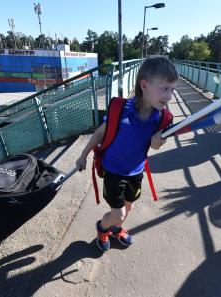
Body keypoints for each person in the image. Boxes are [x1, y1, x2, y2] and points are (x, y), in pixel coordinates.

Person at [75, 57, 179, 252]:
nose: (169, 95)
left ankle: (115, 229)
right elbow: (100, 133)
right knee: (119, 213)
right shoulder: (120, 109)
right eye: (164, 88)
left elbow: (154, 147)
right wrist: (83, 155)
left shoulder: (162, 119)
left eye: (173, 90)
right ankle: (102, 228)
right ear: (144, 85)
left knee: (128, 208)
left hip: (136, 172)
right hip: (114, 171)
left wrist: (157, 143)